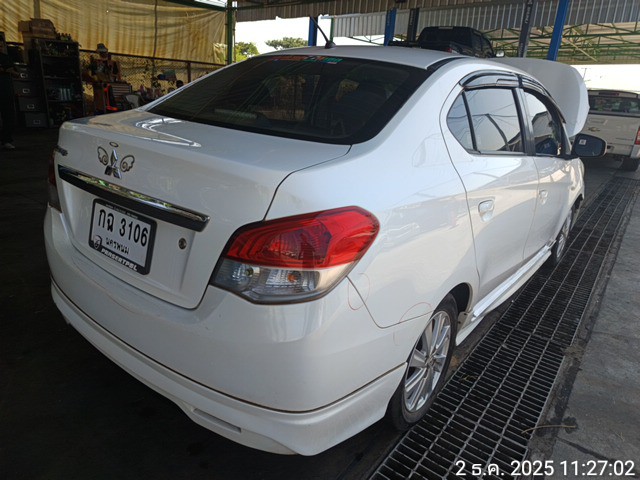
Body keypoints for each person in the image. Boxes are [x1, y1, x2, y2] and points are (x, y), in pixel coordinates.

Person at [0, 33, 16, 150]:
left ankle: (6, 140)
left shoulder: (6, 57)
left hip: (6, 90)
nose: (0, 48)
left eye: (1, 46)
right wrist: (5, 70)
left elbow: (16, 72)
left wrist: (6, 70)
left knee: (8, 116)